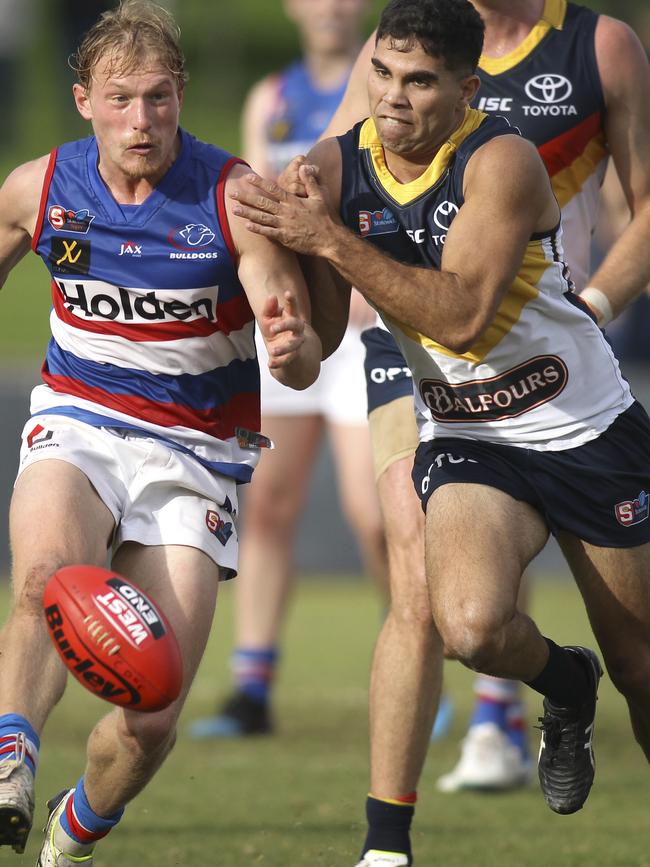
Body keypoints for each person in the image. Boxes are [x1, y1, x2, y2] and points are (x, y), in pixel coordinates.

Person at [230, 1, 650, 864]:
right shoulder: (334, 170)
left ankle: (596, 684)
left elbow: (460, 316)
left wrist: (331, 241)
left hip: (580, 422)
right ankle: (561, 687)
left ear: (467, 90)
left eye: (419, 82)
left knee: (644, 671)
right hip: (466, 432)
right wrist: (289, 341)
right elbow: (316, 346)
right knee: (467, 625)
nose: (391, 98)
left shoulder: (503, 162)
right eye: (381, 74)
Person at [0, 1, 325, 862]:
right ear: (83, 101)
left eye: (156, 98)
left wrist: (290, 348)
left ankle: (71, 834)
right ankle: (9, 765)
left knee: (152, 713)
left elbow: (293, 352)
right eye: (119, 100)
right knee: (42, 576)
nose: (139, 121)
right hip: (79, 420)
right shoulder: (38, 191)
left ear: (181, 93)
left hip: (194, 456)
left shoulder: (234, 197)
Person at [188, 0, 388, 740]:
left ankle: (417, 671)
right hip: (286, 323)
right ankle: (252, 687)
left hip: (365, 328)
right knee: (265, 507)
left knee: (376, 517)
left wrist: (371, 283)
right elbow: (249, 216)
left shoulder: (387, 83)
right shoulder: (270, 98)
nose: (331, 7)